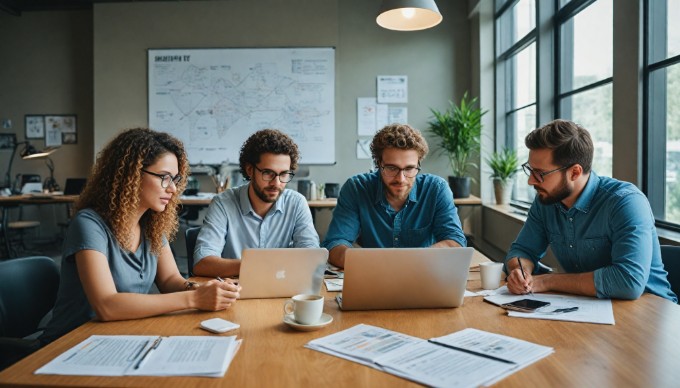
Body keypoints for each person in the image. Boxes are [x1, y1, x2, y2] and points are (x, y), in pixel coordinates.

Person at [39, 128, 241, 345]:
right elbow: (107, 305)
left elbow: (169, 280)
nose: (173, 188)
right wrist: (194, 298)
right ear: (132, 175)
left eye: (175, 179)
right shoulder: (88, 224)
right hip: (70, 345)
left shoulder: (151, 224)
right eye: (164, 177)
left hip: (120, 337)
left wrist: (206, 290)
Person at [505, 119, 677, 302]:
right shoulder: (545, 201)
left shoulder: (625, 202)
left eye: (540, 174)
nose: (530, 181)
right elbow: (522, 250)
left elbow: (628, 282)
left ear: (575, 172)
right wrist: (519, 271)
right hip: (590, 308)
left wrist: (546, 281)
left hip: (651, 313)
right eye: (529, 170)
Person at [323, 124, 467, 268]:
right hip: (374, 276)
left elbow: (455, 242)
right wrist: (380, 265)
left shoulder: (436, 189)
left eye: (409, 168)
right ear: (379, 164)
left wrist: (404, 263)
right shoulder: (356, 188)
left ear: (418, 164)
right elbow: (335, 244)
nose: (401, 179)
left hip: (425, 273)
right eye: (392, 168)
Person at [192, 129, 319, 277]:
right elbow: (202, 263)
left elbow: (312, 258)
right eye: (268, 173)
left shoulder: (296, 203)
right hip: (236, 293)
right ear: (250, 170)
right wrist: (259, 266)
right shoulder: (223, 203)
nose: (276, 183)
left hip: (281, 292)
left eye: (284, 174)